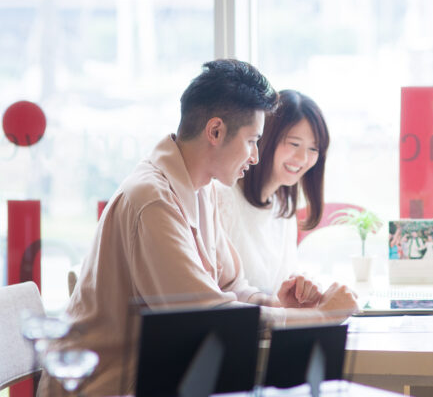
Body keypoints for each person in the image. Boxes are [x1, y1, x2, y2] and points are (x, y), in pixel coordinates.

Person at [47, 60, 357, 397]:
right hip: (110, 387)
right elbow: (209, 318)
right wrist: (322, 318)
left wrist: (278, 304)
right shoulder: (153, 199)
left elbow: (231, 287)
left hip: (165, 379)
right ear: (215, 131)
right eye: (252, 140)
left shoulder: (202, 186)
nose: (255, 156)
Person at [215, 89, 329, 294]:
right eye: (294, 144)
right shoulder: (222, 197)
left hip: (273, 322)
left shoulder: (283, 210)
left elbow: (283, 287)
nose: (303, 158)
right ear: (266, 138)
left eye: (313, 149)